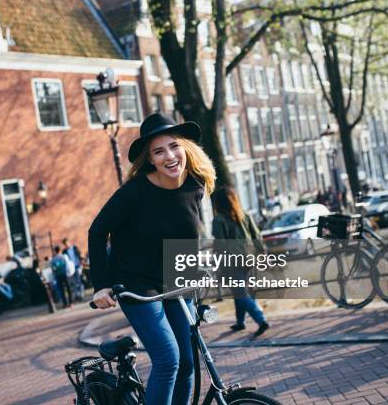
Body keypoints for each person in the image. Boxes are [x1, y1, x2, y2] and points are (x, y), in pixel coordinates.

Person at [89, 113, 216, 405]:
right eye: (159, 151)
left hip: (174, 278)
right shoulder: (134, 193)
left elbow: (185, 235)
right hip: (136, 282)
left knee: (187, 361)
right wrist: (101, 284)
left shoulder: (195, 184)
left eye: (174, 146)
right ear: (150, 159)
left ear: (185, 147)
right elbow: (97, 231)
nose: (170, 156)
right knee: (168, 359)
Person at [211, 186, 270, 337]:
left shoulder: (218, 220)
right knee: (240, 291)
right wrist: (262, 252)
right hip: (250, 258)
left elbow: (220, 244)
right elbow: (257, 235)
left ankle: (261, 319)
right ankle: (240, 322)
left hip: (232, 261)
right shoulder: (244, 215)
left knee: (240, 292)